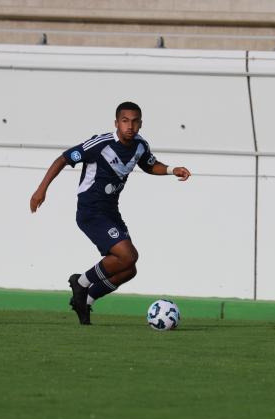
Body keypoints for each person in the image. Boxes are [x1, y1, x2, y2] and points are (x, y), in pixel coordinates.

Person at [30, 102, 191, 325]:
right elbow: (64, 159)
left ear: (141, 123)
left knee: (128, 269)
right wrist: (41, 190)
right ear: (116, 123)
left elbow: (149, 165)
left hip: (111, 211)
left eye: (135, 121)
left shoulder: (140, 146)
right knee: (128, 256)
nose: (130, 126)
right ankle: (82, 282)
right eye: (125, 121)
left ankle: (85, 301)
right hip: (90, 211)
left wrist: (173, 170)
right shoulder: (101, 144)